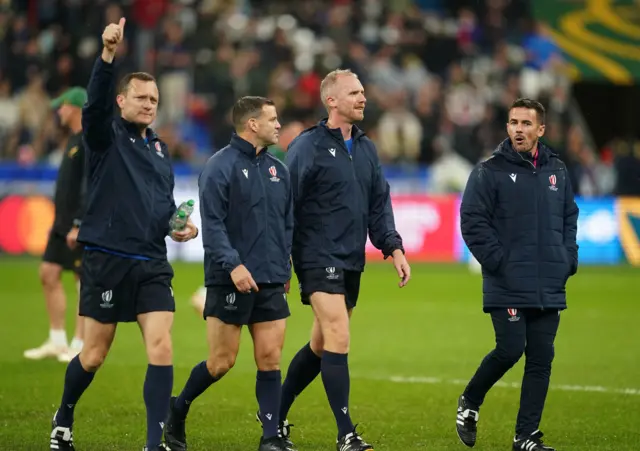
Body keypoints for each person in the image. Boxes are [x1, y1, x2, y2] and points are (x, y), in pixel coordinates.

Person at [49, 18, 198, 451]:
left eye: (154, 99)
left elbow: (162, 203)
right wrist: (107, 55)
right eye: (141, 97)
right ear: (121, 100)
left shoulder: (159, 148)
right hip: (108, 259)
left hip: (151, 262)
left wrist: (179, 226)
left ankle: (156, 442)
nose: (150, 104)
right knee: (94, 354)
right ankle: (64, 416)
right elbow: (93, 105)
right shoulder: (103, 135)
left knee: (161, 346)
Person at [272, 69, 411, 451]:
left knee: (321, 344)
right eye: (353, 93)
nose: (362, 98)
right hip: (316, 255)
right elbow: (287, 205)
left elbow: (379, 204)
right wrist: (283, 259)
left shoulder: (366, 148)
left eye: (363, 91)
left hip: (351, 258)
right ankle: (346, 433)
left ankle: (274, 413)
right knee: (338, 335)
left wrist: (393, 248)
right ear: (331, 100)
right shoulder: (307, 146)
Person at [164, 96, 294, 451]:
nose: (278, 124)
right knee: (222, 362)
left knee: (270, 358)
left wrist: (285, 267)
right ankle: (178, 409)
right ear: (252, 124)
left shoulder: (278, 170)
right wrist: (233, 265)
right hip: (229, 278)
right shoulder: (219, 166)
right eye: (273, 118)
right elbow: (214, 225)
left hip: (270, 278)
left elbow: (287, 225)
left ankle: (270, 438)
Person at [457, 98, 579, 451]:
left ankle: (525, 437)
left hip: (549, 281)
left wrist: (567, 258)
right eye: (513, 123)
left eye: (526, 123)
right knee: (510, 350)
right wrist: (499, 261)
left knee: (541, 359)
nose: (518, 129)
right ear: (507, 127)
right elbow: (472, 222)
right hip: (508, 281)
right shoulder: (489, 171)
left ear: (541, 129)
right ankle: (470, 401)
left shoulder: (557, 170)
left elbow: (569, 216)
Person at [24, 87, 88, 363]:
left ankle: (80, 343)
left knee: (82, 281)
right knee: (48, 272)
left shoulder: (88, 141)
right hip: (61, 224)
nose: (58, 111)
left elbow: (90, 186)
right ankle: (57, 338)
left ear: (74, 108)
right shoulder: (73, 139)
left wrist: (79, 223)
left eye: (61, 106)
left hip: (77, 225)